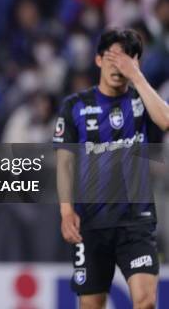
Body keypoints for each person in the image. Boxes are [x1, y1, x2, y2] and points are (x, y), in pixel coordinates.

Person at [53, 29, 169, 309]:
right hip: (91, 222)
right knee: (92, 305)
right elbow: (65, 162)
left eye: (125, 59)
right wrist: (66, 209)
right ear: (97, 60)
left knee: (145, 302)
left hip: (136, 221)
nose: (117, 66)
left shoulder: (142, 101)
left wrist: (137, 77)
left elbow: (165, 121)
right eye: (111, 58)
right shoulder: (75, 107)